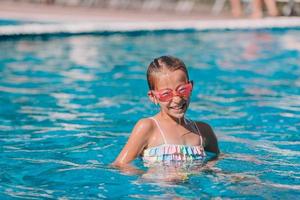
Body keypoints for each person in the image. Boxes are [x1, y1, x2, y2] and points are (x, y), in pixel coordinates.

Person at [112, 56, 219, 169]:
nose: (177, 99)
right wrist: (153, 177)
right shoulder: (148, 127)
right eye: (166, 94)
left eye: (182, 90)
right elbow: (120, 165)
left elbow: (215, 161)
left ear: (191, 87)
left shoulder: (203, 131)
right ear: (153, 97)